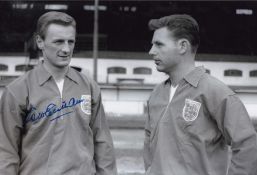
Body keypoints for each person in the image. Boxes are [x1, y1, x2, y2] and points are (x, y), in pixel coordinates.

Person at [0, 11, 117, 175]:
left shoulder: (89, 86)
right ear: (40, 42)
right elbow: (6, 151)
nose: (66, 49)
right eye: (58, 42)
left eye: (71, 42)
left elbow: (102, 143)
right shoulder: (17, 90)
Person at [143, 14, 257, 175]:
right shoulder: (156, 94)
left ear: (183, 46)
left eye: (159, 45)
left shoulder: (215, 92)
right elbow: (149, 143)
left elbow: (248, 144)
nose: (151, 51)